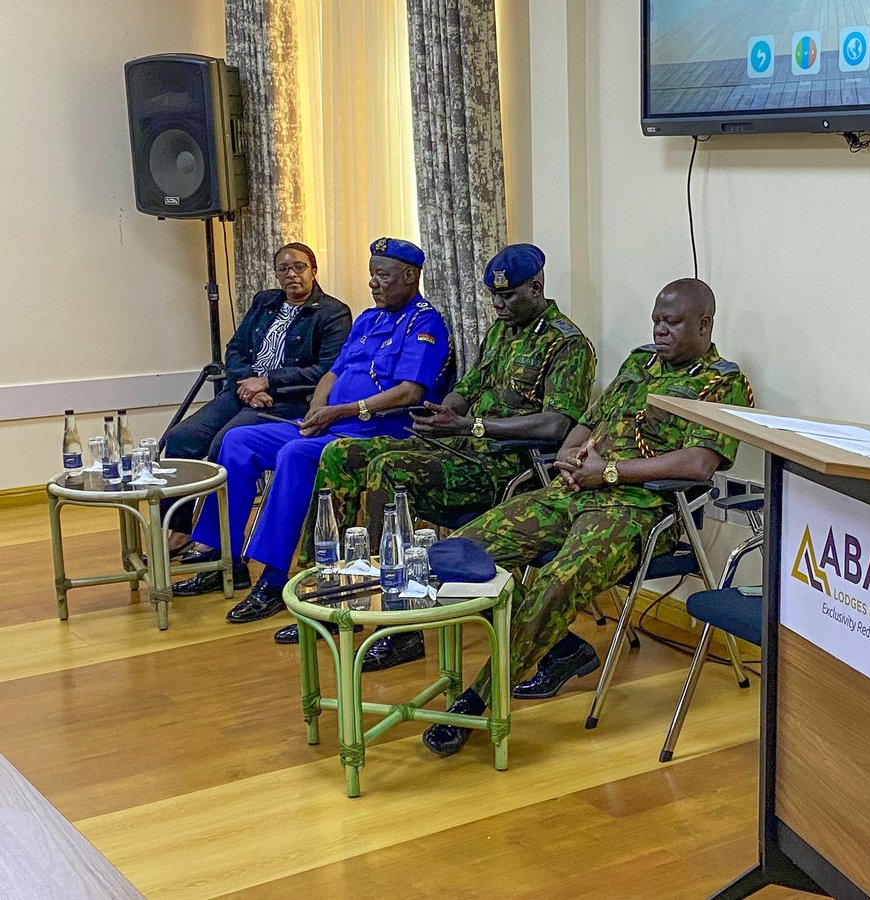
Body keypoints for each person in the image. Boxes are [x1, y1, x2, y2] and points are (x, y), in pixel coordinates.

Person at [421, 277, 753, 758]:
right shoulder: (639, 362)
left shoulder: (723, 382)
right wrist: (571, 455)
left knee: (557, 581)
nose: (660, 330)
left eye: (672, 322)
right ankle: (560, 647)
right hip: (574, 490)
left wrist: (610, 473)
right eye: (656, 320)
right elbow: (587, 424)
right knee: (459, 552)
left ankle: (477, 702)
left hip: (637, 510)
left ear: (704, 325)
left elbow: (698, 463)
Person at [274, 243, 597, 671]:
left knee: (389, 470)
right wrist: (445, 411)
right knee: (342, 454)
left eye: (508, 296)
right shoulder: (501, 333)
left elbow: (557, 425)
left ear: (536, 288)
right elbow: (469, 387)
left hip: (504, 465)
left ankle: (397, 623)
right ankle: (331, 588)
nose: (498, 306)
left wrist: (471, 426)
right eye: (494, 297)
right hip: (460, 447)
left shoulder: (567, 343)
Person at [172, 238, 454, 622]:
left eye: (382, 276)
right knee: (238, 441)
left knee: (295, 454)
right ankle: (222, 558)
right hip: (331, 422)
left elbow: (410, 392)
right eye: (371, 274)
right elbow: (332, 373)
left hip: (376, 431)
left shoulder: (425, 322)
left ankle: (272, 579)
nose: (373, 283)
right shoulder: (369, 319)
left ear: (409, 276)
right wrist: (318, 409)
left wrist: (341, 411)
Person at [161, 243, 351, 555]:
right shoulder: (265, 302)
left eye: (299, 267)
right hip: (242, 391)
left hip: (287, 400)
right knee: (181, 438)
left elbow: (326, 370)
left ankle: (218, 542)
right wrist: (248, 384)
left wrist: (268, 382)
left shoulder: (332, 312)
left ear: (314, 271)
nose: (291, 274)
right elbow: (235, 349)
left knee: (224, 443)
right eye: (283, 269)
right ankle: (180, 530)